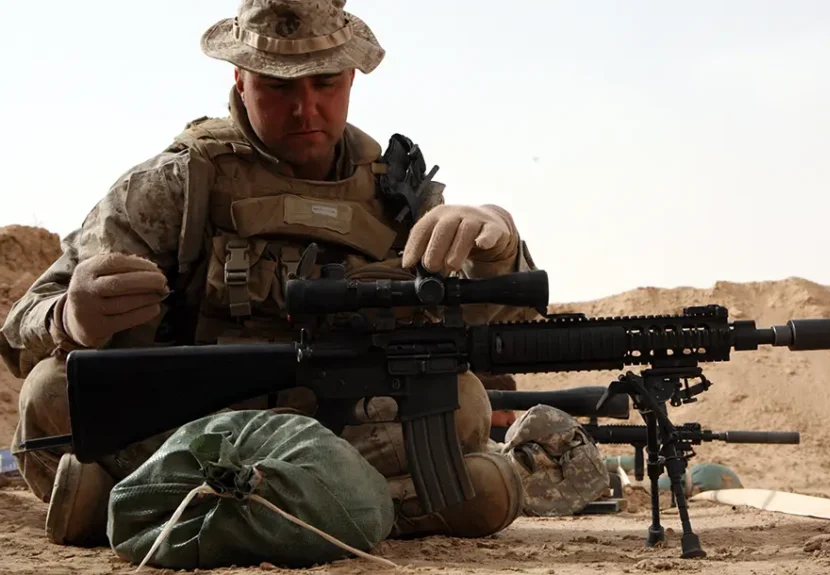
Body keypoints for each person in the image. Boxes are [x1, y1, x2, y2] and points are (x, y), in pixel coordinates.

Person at [0, 0, 539, 547]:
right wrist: (68, 315)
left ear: (352, 76)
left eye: (325, 83)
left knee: (462, 398)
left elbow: (498, 315)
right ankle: (362, 506)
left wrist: (497, 241)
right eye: (278, 86)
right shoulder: (179, 182)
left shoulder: (395, 194)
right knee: (52, 391)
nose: (305, 109)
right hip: (188, 426)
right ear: (239, 77)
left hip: (342, 425)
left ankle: (138, 504)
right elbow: (21, 330)